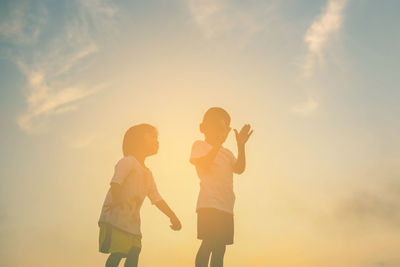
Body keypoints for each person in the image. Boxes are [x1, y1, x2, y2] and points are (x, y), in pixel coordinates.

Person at [98, 124, 182, 267]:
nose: (157, 141)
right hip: (116, 219)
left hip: (133, 224)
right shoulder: (128, 162)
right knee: (117, 253)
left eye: (157, 138)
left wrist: (172, 215)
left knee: (134, 253)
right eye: (153, 137)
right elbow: (115, 184)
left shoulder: (148, 174)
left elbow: (157, 198)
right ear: (137, 140)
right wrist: (118, 204)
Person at [190, 107, 253, 267]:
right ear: (203, 128)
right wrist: (217, 144)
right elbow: (204, 162)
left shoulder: (227, 153)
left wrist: (241, 145)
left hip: (226, 207)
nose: (221, 131)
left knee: (220, 250)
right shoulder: (199, 145)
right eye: (217, 127)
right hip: (209, 205)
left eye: (225, 128)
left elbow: (239, 169)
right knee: (208, 243)